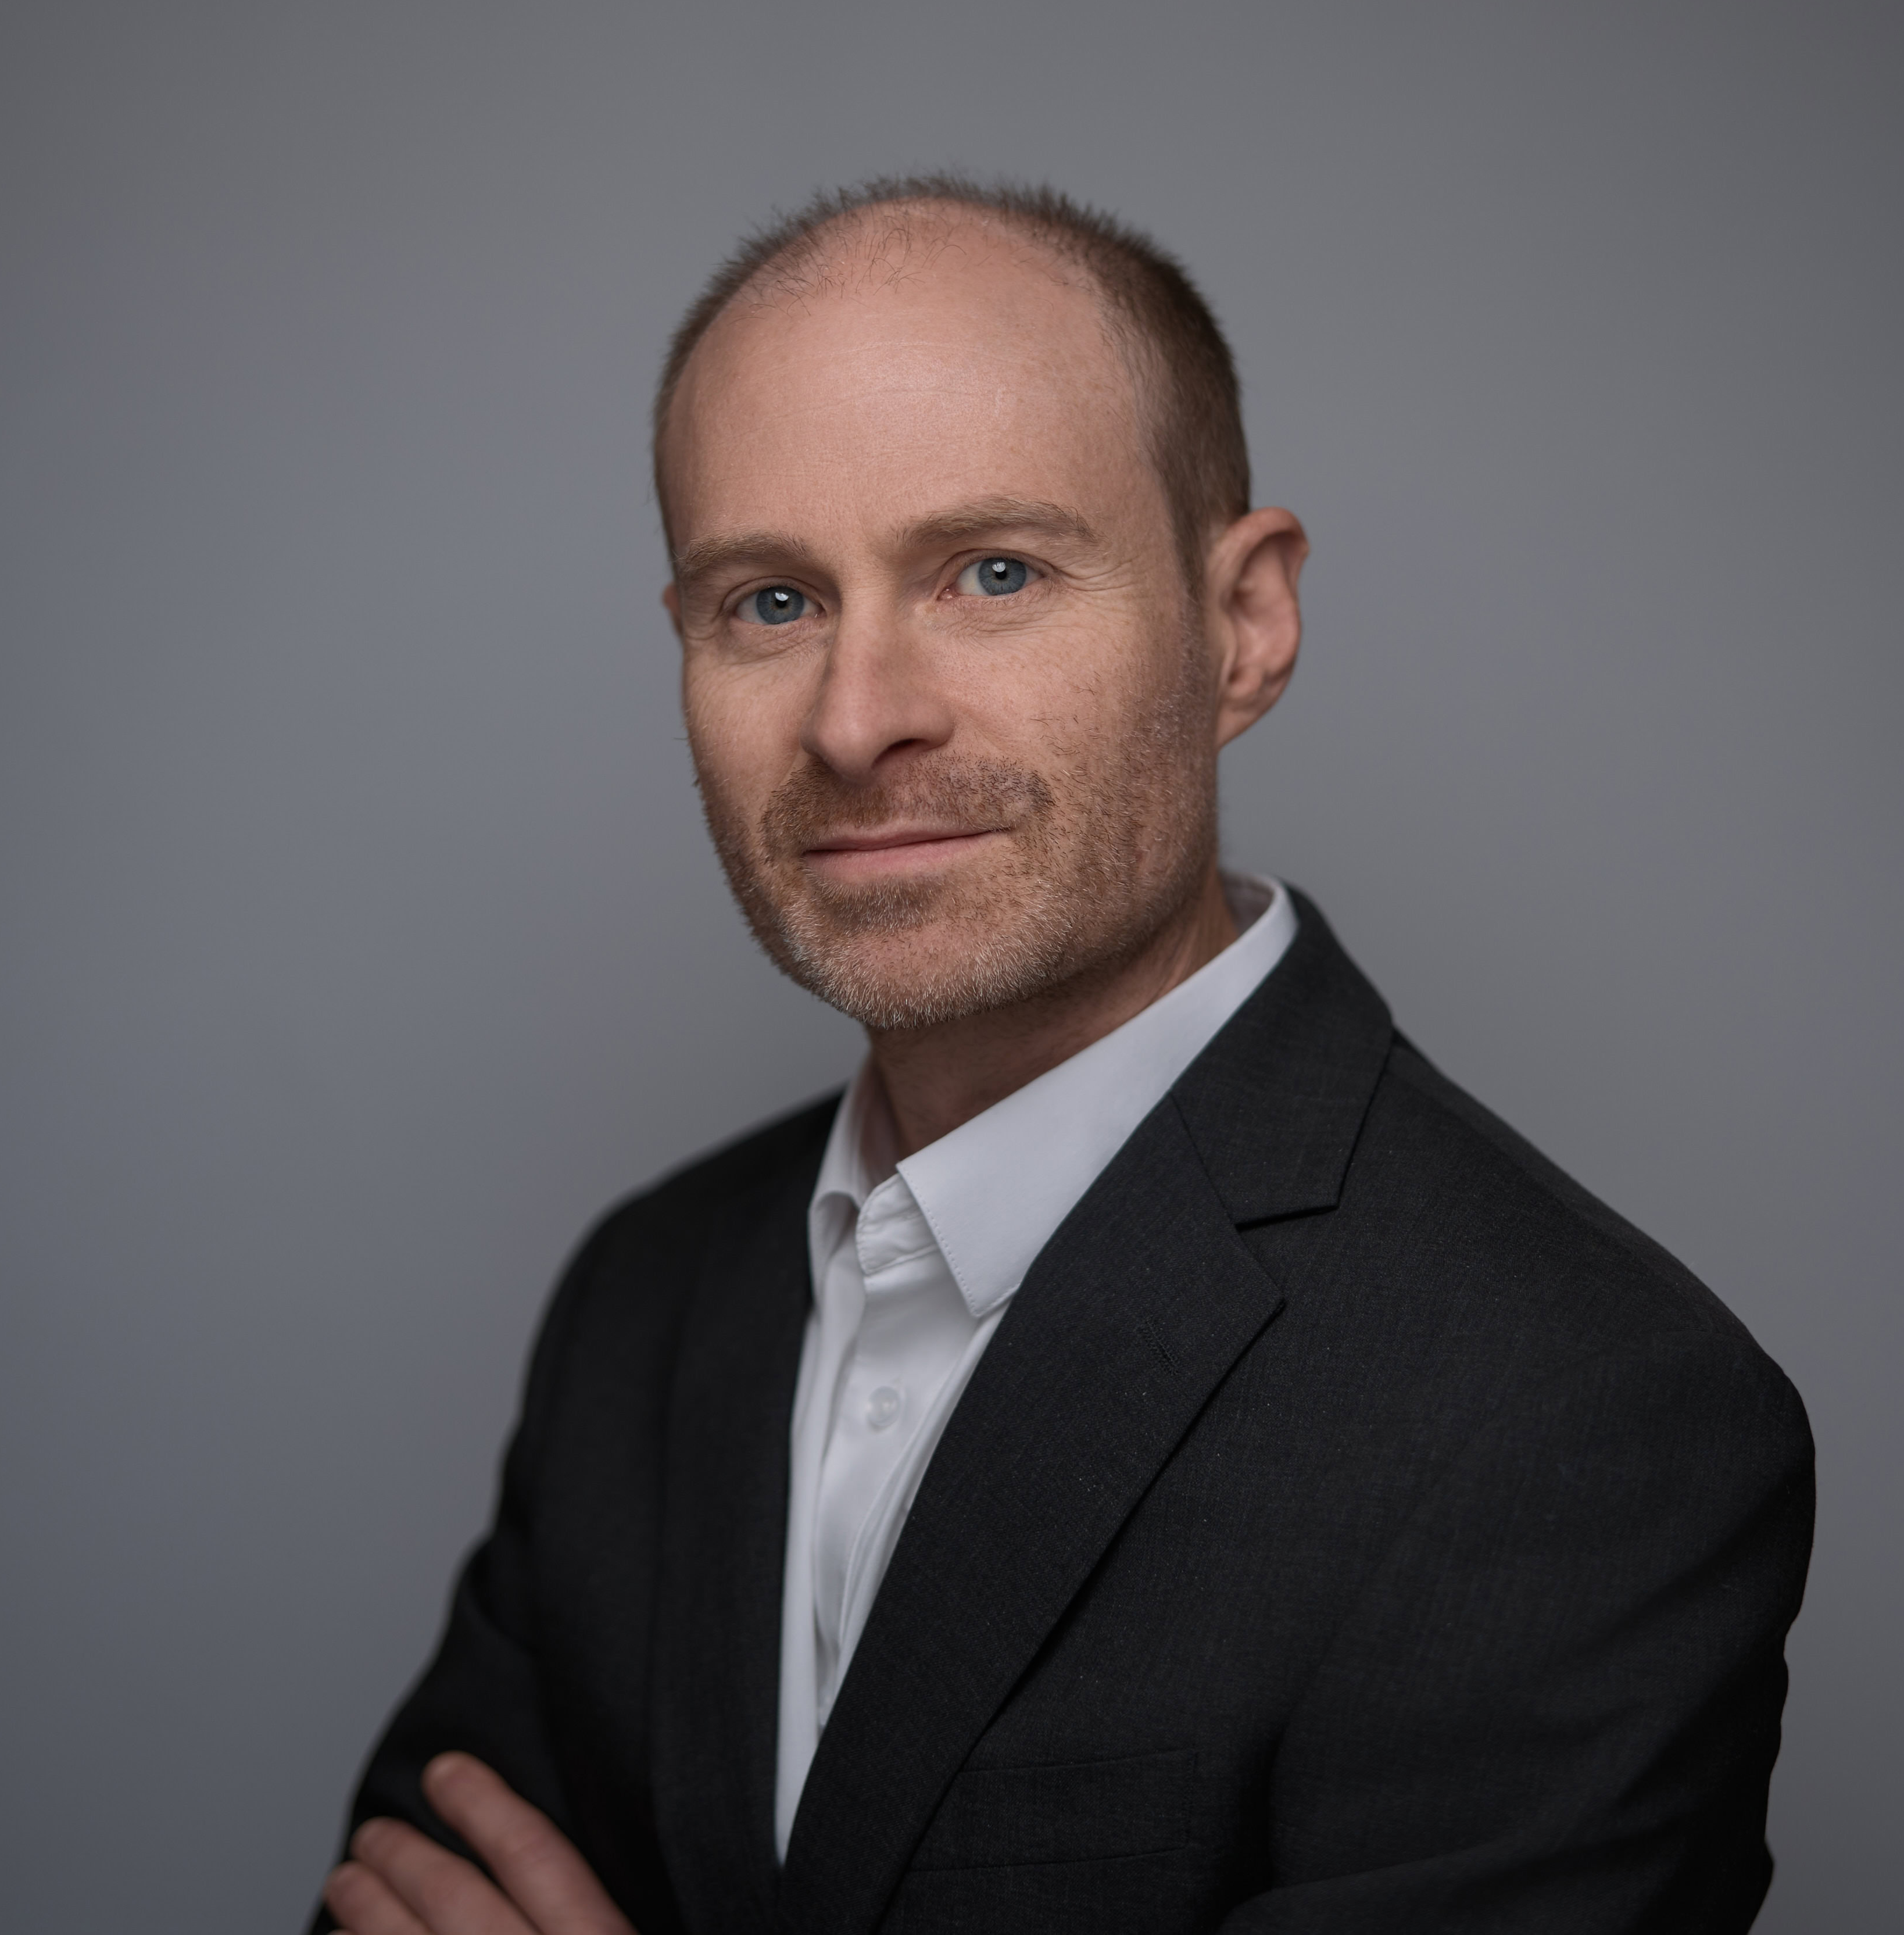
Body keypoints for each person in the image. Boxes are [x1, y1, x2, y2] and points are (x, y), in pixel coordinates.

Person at [312, 177, 1813, 1935]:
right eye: (771, 602)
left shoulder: (1579, 1415)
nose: (859, 718)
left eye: (994, 573)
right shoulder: (645, 1301)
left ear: (1243, 623)